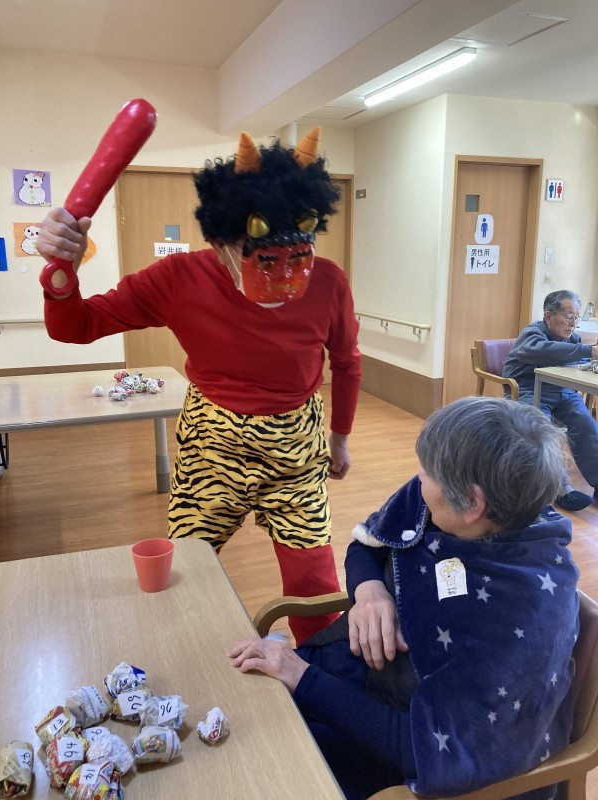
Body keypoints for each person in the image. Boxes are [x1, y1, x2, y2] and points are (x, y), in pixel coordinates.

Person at [36, 127, 362, 645]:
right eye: (263, 260)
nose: (282, 278)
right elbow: (75, 327)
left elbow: (346, 362)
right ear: (220, 241)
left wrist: (340, 439)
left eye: (296, 257)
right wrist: (62, 275)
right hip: (212, 446)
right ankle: (182, 659)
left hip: (295, 452)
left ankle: (317, 679)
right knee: (182, 572)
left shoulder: (328, 281)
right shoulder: (178, 278)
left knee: (314, 588)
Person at [229, 397, 579, 800]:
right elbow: (367, 545)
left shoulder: (520, 617)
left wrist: (302, 678)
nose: (418, 478)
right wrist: (370, 592)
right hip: (365, 681)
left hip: (397, 752)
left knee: (253, 769)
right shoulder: (460, 496)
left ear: (473, 503)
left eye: (427, 473)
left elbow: (421, 751)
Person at [503, 289, 598, 512]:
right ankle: (559, 488)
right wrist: (587, 350)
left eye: (576, 317)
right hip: (528, 389)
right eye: (569, 316)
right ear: (548, 316)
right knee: (543, 432)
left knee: (587, 426)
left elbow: (576, 361)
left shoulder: (572, 338)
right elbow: (543, 350)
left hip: (563, 392)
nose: (573, 323)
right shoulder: (533, 333)